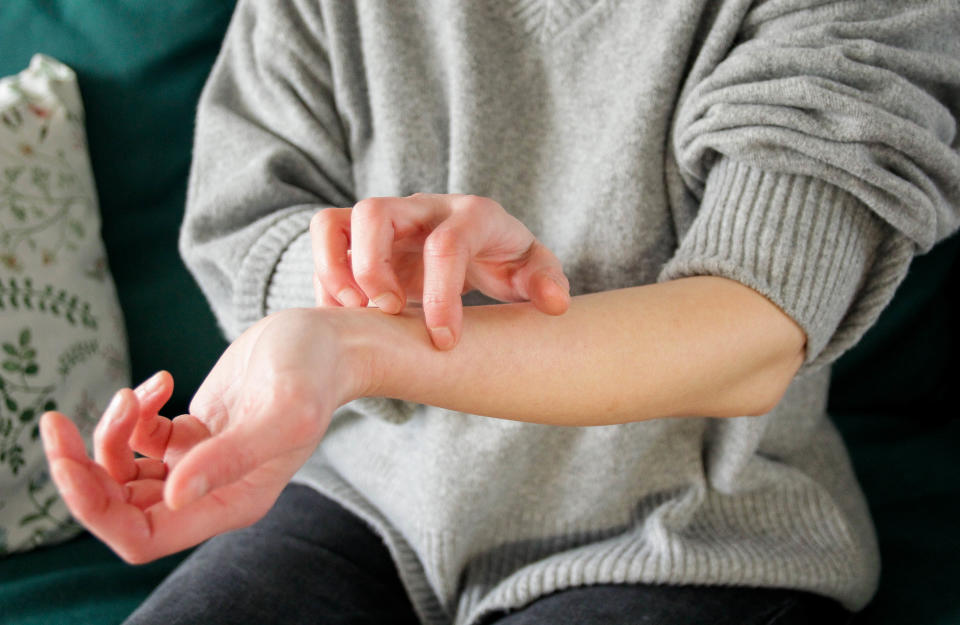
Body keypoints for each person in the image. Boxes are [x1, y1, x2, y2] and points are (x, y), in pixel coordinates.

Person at [40, 1, 960, 624]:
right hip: (370, 502)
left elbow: (751, 329)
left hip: (684, 533)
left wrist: (363, 344)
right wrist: (355, 288)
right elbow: (248, 229)